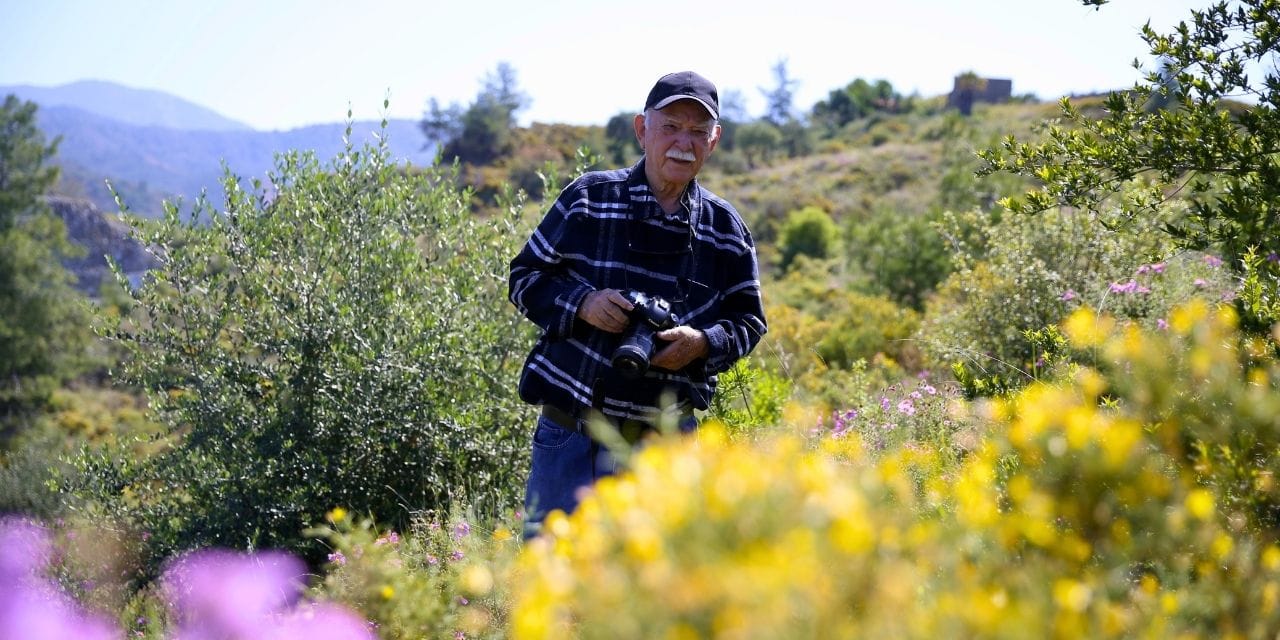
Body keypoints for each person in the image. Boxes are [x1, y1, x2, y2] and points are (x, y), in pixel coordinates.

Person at [508, 71, 767, 535]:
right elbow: (525, 276)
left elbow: (749, 321)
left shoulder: (726, 230)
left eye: (696, 131)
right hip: (572, 435)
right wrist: (582, 304)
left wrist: (702, 343)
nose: (682, 143)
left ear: (715, 141)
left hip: (666, 448)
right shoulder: (588, 199)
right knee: (553, 588)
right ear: (641, 129)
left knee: (647, 599)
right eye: (670, 126)